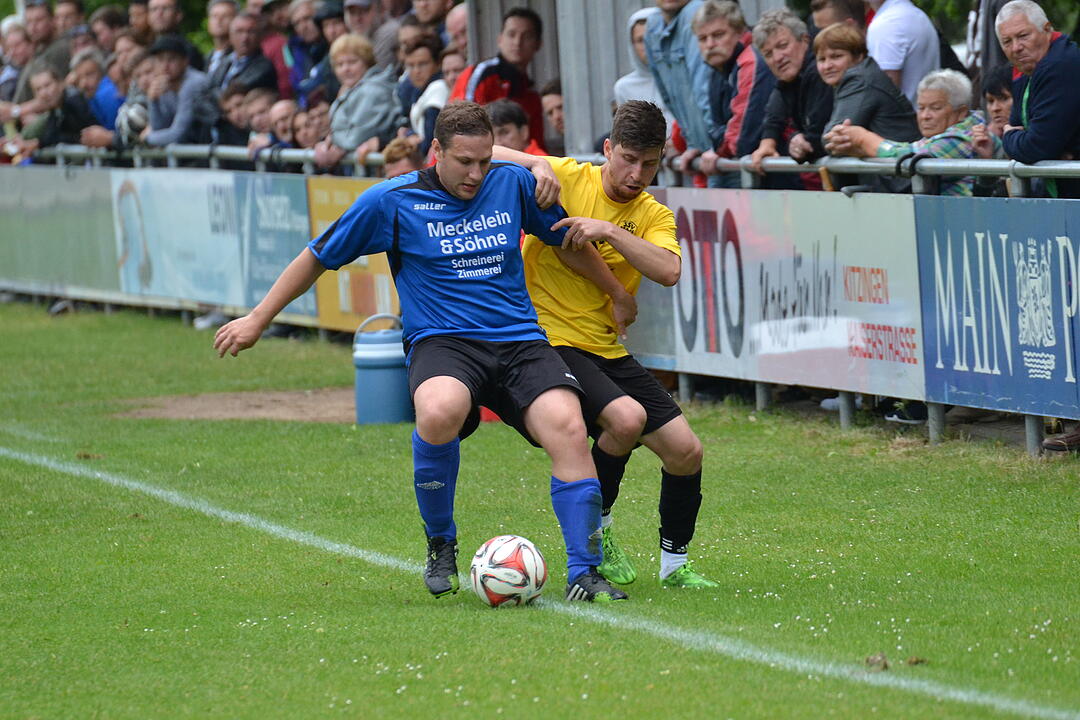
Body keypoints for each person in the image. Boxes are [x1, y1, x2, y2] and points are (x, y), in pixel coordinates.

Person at [214, 101, 628, 604]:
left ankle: (584, 572)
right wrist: (259, 317)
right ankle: (441, 542)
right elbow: (318, 254)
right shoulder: (391, 200)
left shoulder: (513, 185)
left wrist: (617, 294)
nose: (476, 174)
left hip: (519, 340)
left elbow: (568, 241)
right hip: (444, 343)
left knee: (569, 428)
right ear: (436, 151)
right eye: (463, 162)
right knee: (438, 411)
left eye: (483, 161)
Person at [494, 100, 718, 589]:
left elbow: (669, 270)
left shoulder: (651, 213)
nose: (636, 174)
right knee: (626, 418)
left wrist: (610, 228)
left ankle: (675, 566)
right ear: (607, 150)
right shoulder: (568, 177)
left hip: (606, 347)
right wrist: (534, 162)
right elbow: (480, 150)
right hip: (549, 337)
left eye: (649, 163)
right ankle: (597, 534)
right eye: (627, 160)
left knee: (686, 451)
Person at [825, 69, 1000, 196]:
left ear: (961, 112)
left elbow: (906, 157)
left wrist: (862, 139)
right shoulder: (947, 133)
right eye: (921, 108)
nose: (925, 116)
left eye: (935, 108)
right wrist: (852, 144)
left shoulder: (965, 137)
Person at [995, 0, 1080, 199]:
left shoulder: (1060, 65)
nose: (1016, 47)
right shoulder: (1030, 67)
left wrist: (1008, 137)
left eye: (1023, 36)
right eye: (1007, 42)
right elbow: (1020, 126)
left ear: (1047, 29)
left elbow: (1035, 147)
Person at [692, 0, 775, 184]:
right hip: (751, 172)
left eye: (718, 35)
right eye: (702, 38)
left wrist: (717, 147)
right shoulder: (718, 67)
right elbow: (715, 127)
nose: (710, 44)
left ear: (739, 32)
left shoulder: (750, 61)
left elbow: (741, 140)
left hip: (773, 176)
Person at [749, 9, 833, 188]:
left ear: (804, 40)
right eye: (768, 54)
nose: (777, 58)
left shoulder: (819, 71)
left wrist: (800, 145)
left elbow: (817, 139)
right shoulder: (790, 78)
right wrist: (767, 143)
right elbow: (775, 109)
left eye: (782, 45)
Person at [451, 7, 546, 153]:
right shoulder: (482, 73)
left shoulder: (531, 93)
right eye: (511, 34)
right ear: (500, 39)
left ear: (538, 44)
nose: (517, 42)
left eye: (527, 36)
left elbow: (535, 145)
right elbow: (461, 127)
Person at [645, 0, 714, 178]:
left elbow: (704, 90)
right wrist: (691, 144)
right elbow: (669, 98)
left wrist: (716, 146)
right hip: (699, 154)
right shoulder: (652, 26)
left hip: (720, 153)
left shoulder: (697, 13)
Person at [817, 23, 918, 143]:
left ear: (858, 56)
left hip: (900, 157)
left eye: (836, 56)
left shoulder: (859, 80)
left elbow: (831, 139)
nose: (827, 66)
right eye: (822, 59)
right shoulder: (862, 73)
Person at [314, 33, 399, 169]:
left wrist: (333, 142)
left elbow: (359, 136)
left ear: (367, 62)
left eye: (352, 62)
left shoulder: (373, 90)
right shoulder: (352, 90)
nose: (345, 69)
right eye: (340, 64)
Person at [141, 35, 216, 146]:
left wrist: (146, 139)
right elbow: (159, 127)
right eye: (160, 60)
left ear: (185, 61)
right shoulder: (163, 83)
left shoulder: (194, 83)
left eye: (171, 59)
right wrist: (153, 100)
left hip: (211, 149)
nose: (165, 66)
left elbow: (178, 135)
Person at [864, 0, 939, 104]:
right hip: (919, 113)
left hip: (903, 117)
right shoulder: (915, 13)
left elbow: (887, 91)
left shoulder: (887, 23)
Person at [613, 7, 673, 133]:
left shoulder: (683, 78)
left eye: (652, 37)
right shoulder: (624, 87)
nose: (648, 45)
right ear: (632, 45)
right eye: (640, 40)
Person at [208, 12, 278, 96]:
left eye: (251, 32)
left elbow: (233, 93)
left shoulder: (264, 66)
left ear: (259, 36)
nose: (245, 38)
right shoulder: (224, 60)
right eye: (239, 31)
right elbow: (209, 88)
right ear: (230, 35)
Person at [69, 47, 123, 129]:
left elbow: (116, 132)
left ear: (102, 72)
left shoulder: (106, 93)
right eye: (79, 78)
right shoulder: (92, 97)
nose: (83, 84)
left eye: (89, 74)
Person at [147, 0, 205, 71]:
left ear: (178, 15)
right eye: (154, 9)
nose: (159, 14)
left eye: (165, 8)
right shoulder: (145, 47)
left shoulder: (188, 50)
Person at [205, 0, 238, 81]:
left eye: (225, 16)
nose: (219, 20)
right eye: (214, 16)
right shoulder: (206, 58)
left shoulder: (240, 57)